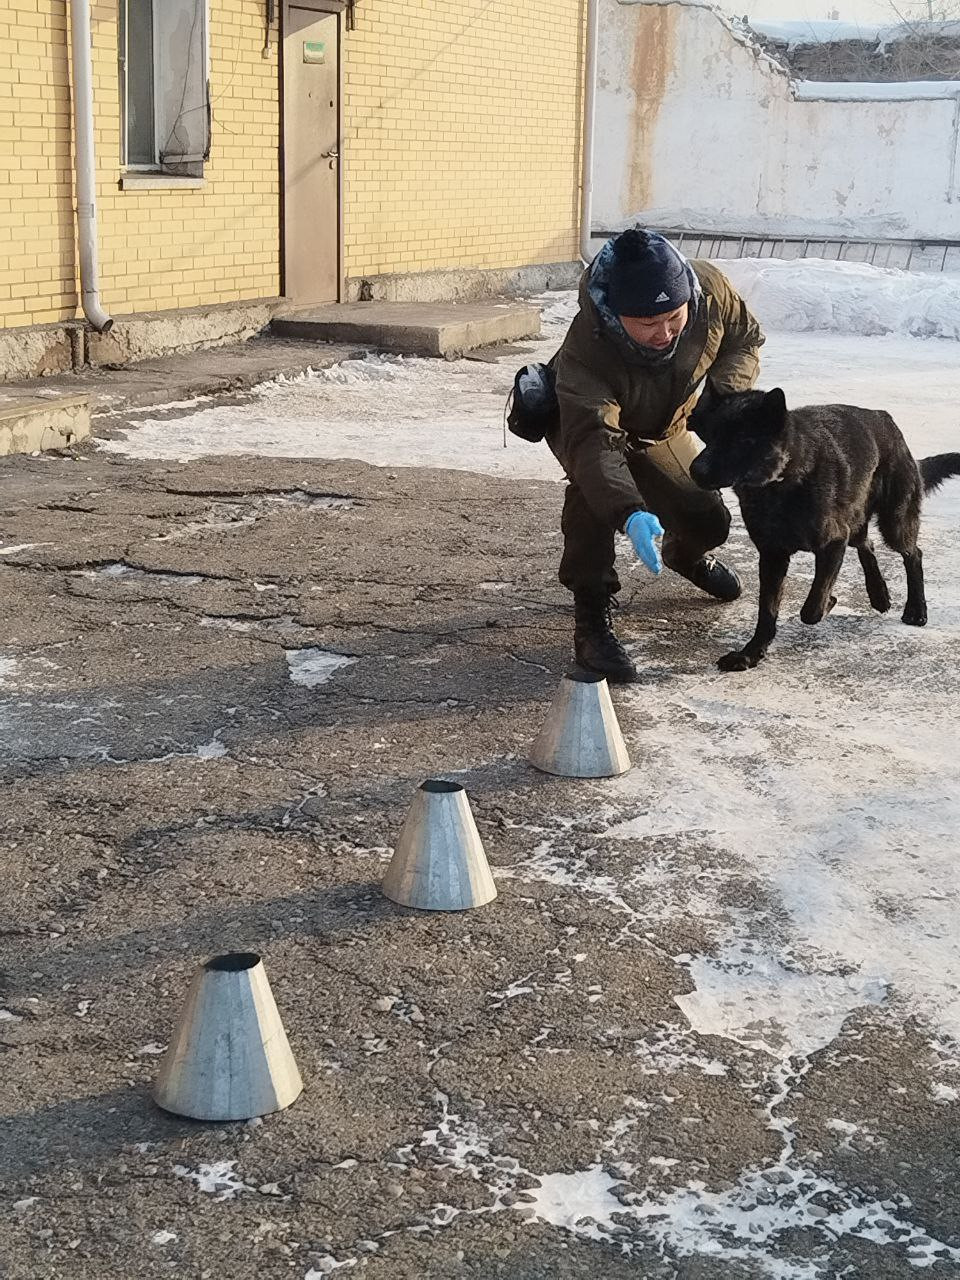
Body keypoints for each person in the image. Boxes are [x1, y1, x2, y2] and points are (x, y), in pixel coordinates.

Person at [516, 227, 765, 683]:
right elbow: (595, 445)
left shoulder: (710, 291)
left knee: (709, 521)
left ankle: (685, 556)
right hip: (589, 429)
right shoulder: (586, 351)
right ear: (616, 314)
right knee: (594, 499)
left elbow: (745, 339)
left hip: (663, 425)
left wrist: (723, 397)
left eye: (674, 317)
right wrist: (630, 511)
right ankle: (591, 619)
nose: (664, 333)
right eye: (647, 323)